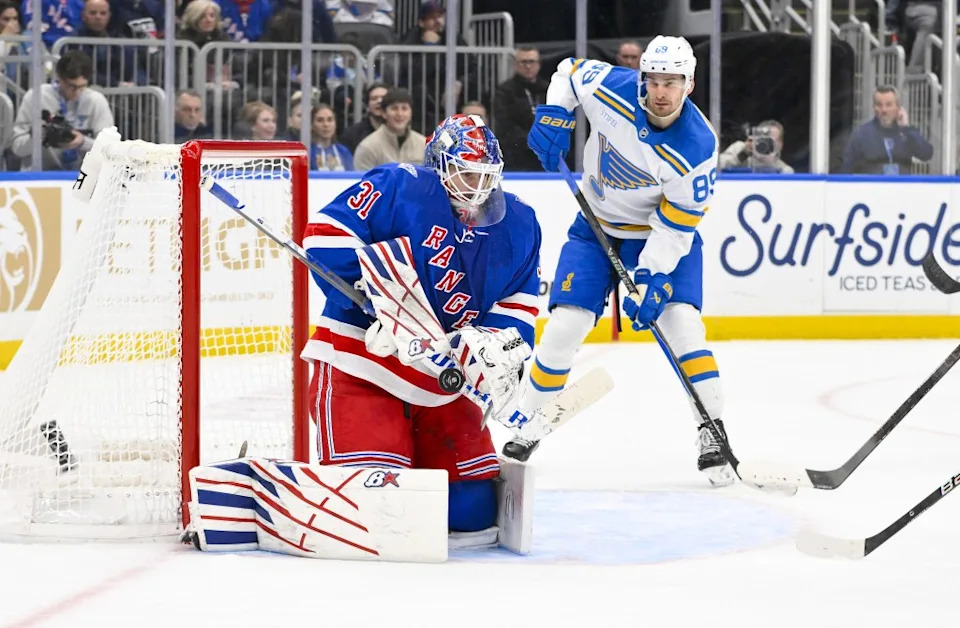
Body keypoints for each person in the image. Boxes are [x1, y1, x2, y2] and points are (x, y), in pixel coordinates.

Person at [301, 114, 541, 535]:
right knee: (384, 509)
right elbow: (324, 235)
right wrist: (382, 302)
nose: (477, 187)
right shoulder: (398, 185)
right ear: (440, 165)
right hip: (366, 363)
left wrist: (487, 344)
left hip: (444, 382)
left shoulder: (520, 221)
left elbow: (520, 301)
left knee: (470, 513)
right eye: (466, 174)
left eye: (486, 176)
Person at [519, 36, 734, 486]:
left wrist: (652, 275)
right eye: (653, 79)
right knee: (564, 326)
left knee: (682, 327)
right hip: (595, 230)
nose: (660, 91)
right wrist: (557, 111)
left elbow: (676, 227)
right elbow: (568, 73)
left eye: (672, 82)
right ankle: (529, 420)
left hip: (658, 238)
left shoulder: (697, 148)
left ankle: (712, 429)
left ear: (689, 84)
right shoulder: (611, 87)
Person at [10, 49, 114, 171]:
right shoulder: (36, 97)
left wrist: (83, 142)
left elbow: (111, 151)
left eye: (82, 87)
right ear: (59, 77)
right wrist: (40, 136)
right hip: (41, 176)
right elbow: (17, 148)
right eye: (71, 86)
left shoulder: (96, 101)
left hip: (83, 177)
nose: (76, 92)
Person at [840, 85, 933, 175]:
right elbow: (846, 169)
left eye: (889, 105)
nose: (884, 110)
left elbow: (927, 154)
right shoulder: (861, 134)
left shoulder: (907, 133)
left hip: (902, 188)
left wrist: (905, 128)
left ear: (898, 108)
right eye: (879, 105)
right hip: (872, 188)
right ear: (874, 107)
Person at [493, 45, 548, 171]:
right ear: (515, 64)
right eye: (523, 62)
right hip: (516, 157)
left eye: (531, 62)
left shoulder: (549, 90)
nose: (528, 66)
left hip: (546, 156)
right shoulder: (505, 91)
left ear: (539, 64)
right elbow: (504, 124)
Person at [353, 88, 426, 171]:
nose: (400, 114)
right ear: (384, 113)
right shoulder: (368, 147)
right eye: (394, 108)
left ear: (411, 112)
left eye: (404, 108)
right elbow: (362, 181)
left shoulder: (423, 145)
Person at [719, 120, 794, 174]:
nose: (766, 144)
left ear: (781, 144)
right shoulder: (741, 148)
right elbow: (716, 166)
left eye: (771, 140)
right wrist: (743, 154)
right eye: (764, 139)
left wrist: (769, 163)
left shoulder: (785, 171)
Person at [340, 82, 389, 153]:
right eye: (374, 98)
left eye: (384, 98)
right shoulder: (352, 135)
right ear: (367, 106)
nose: (379, 101)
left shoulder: (401, 133)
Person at [309, 102, 353, 171]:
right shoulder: (308, 153)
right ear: (312, 125)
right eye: (320, 120)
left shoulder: (343, 151)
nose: (326, 124)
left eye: (330, 120)